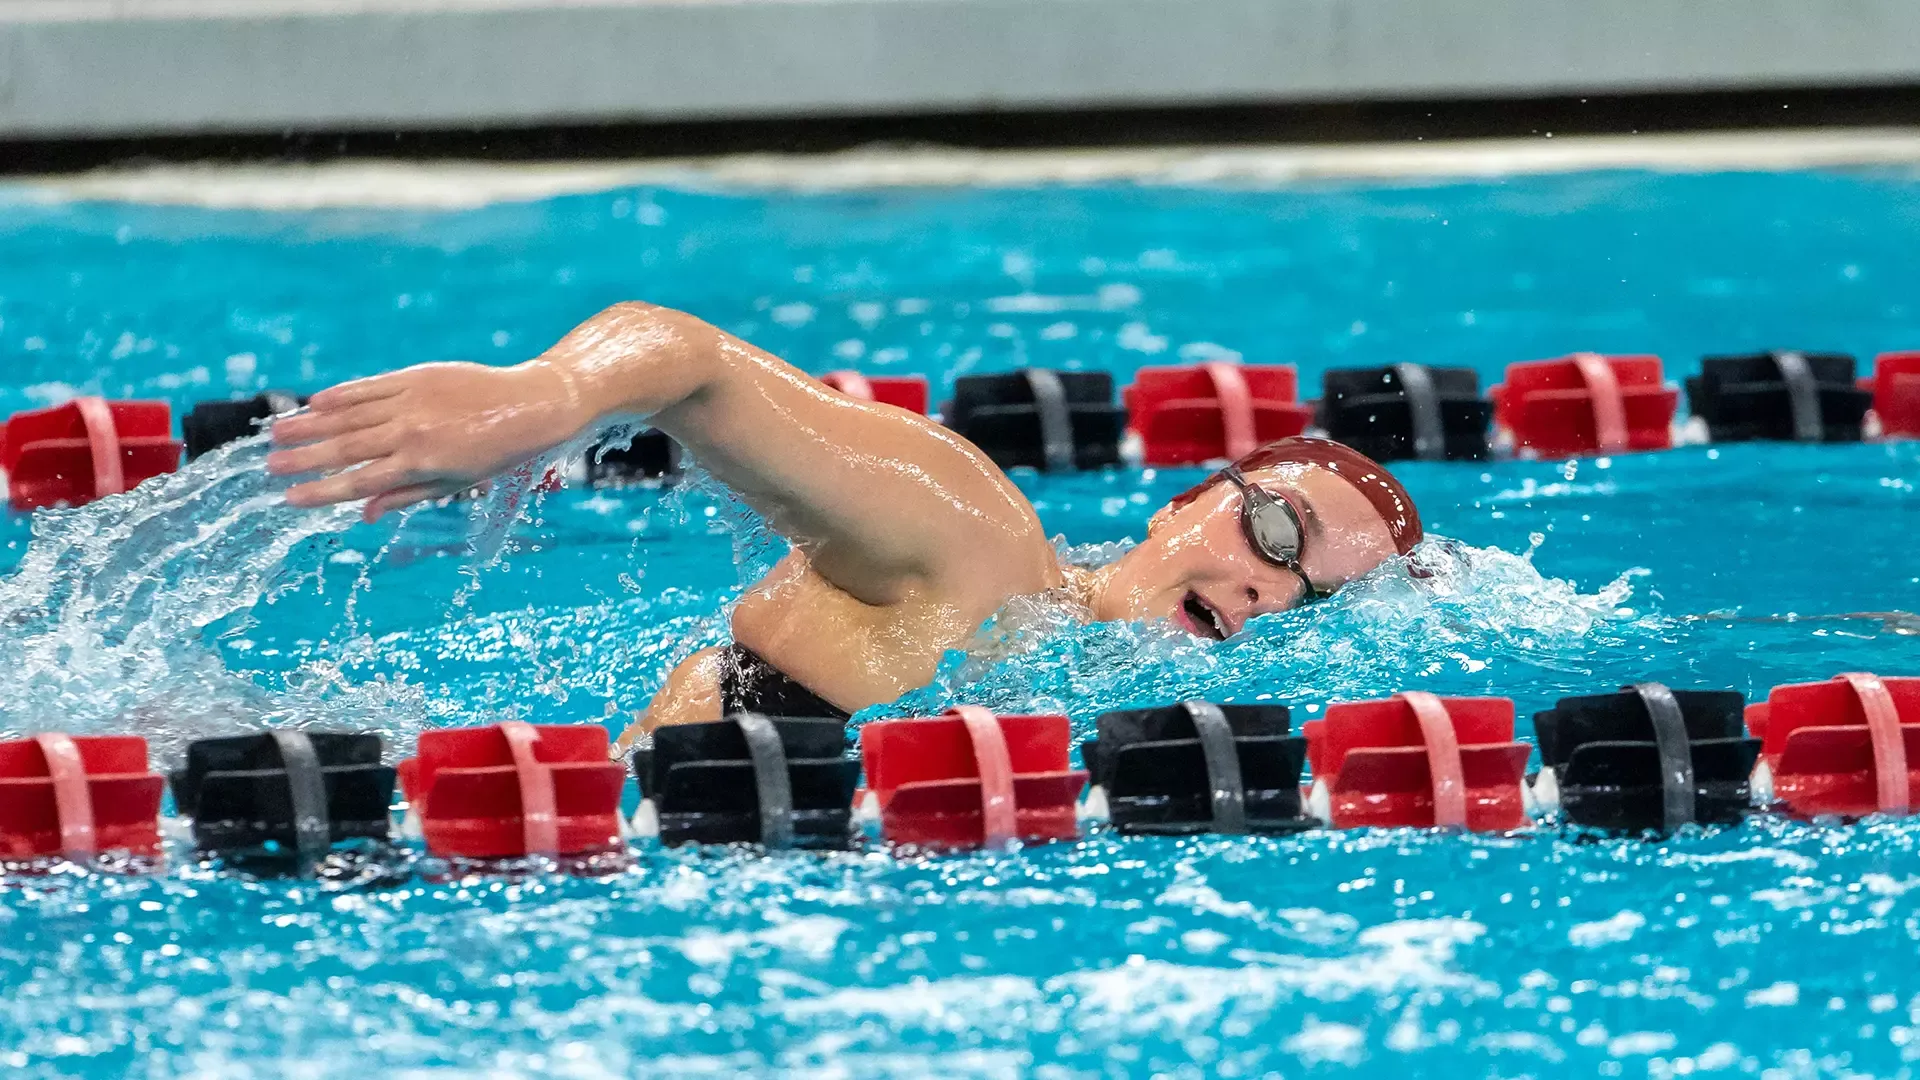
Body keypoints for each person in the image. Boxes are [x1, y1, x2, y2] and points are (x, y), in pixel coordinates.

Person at [268, 301, 1422, 748]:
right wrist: (549, 400)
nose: (1273, 591)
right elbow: (689, 360)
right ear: (1185, 501)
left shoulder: (1110, 693)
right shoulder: (978, 543)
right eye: (1278, 537)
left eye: (1308, 592)